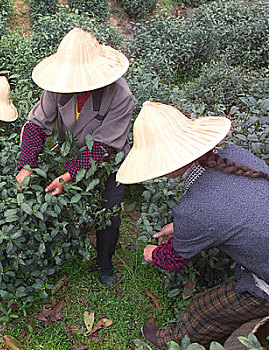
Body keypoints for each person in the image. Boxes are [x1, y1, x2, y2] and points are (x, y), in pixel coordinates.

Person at [116, 102, 269, 348]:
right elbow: (236, 208)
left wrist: (153, 254)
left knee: (203, 310)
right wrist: (182, 227)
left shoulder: (194, 208)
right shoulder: (235, 154)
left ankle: (170, 341)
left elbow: (173, 259)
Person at [15, 28, 134, 286]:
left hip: (109, 157)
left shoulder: (120, 95)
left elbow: (103, 147)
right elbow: (36, 125)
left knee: (110, 212)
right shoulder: (58, 87)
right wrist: (26, 165)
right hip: (70, 150)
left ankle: (105, 263)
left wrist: (67, 175)